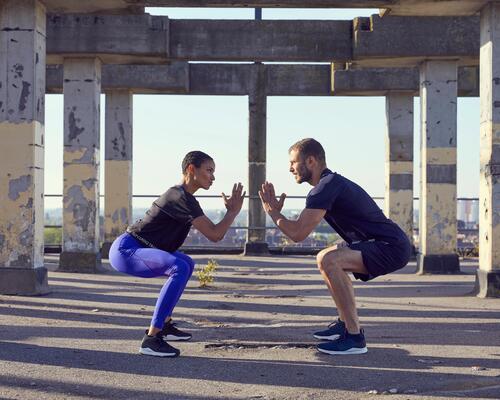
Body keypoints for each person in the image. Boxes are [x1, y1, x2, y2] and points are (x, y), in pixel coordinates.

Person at [259, 138, 411, 355]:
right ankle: (344, 323)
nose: (290, 168)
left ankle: (355, 338)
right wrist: (276, 213)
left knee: (329, 260)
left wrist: (272, 212)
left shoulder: (325, 188)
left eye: (293, 162)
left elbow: (297, 234)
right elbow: (298, 229)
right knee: (326, 256)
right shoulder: (329, 184)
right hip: (384, 244)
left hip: (390, 246)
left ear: (310, 161)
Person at [109, 151, 245, 357]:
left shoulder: (187, 198)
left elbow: (214, 233)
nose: (213, 177)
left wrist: (231, 213)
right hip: (127, 250)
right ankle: (151, 339)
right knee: (178, 267)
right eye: (209, 171)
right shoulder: (179, 197)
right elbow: (216, 235)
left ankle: (165, 324)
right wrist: (232, 212)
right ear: (191, 169)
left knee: (186, 263)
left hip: (140, 248)